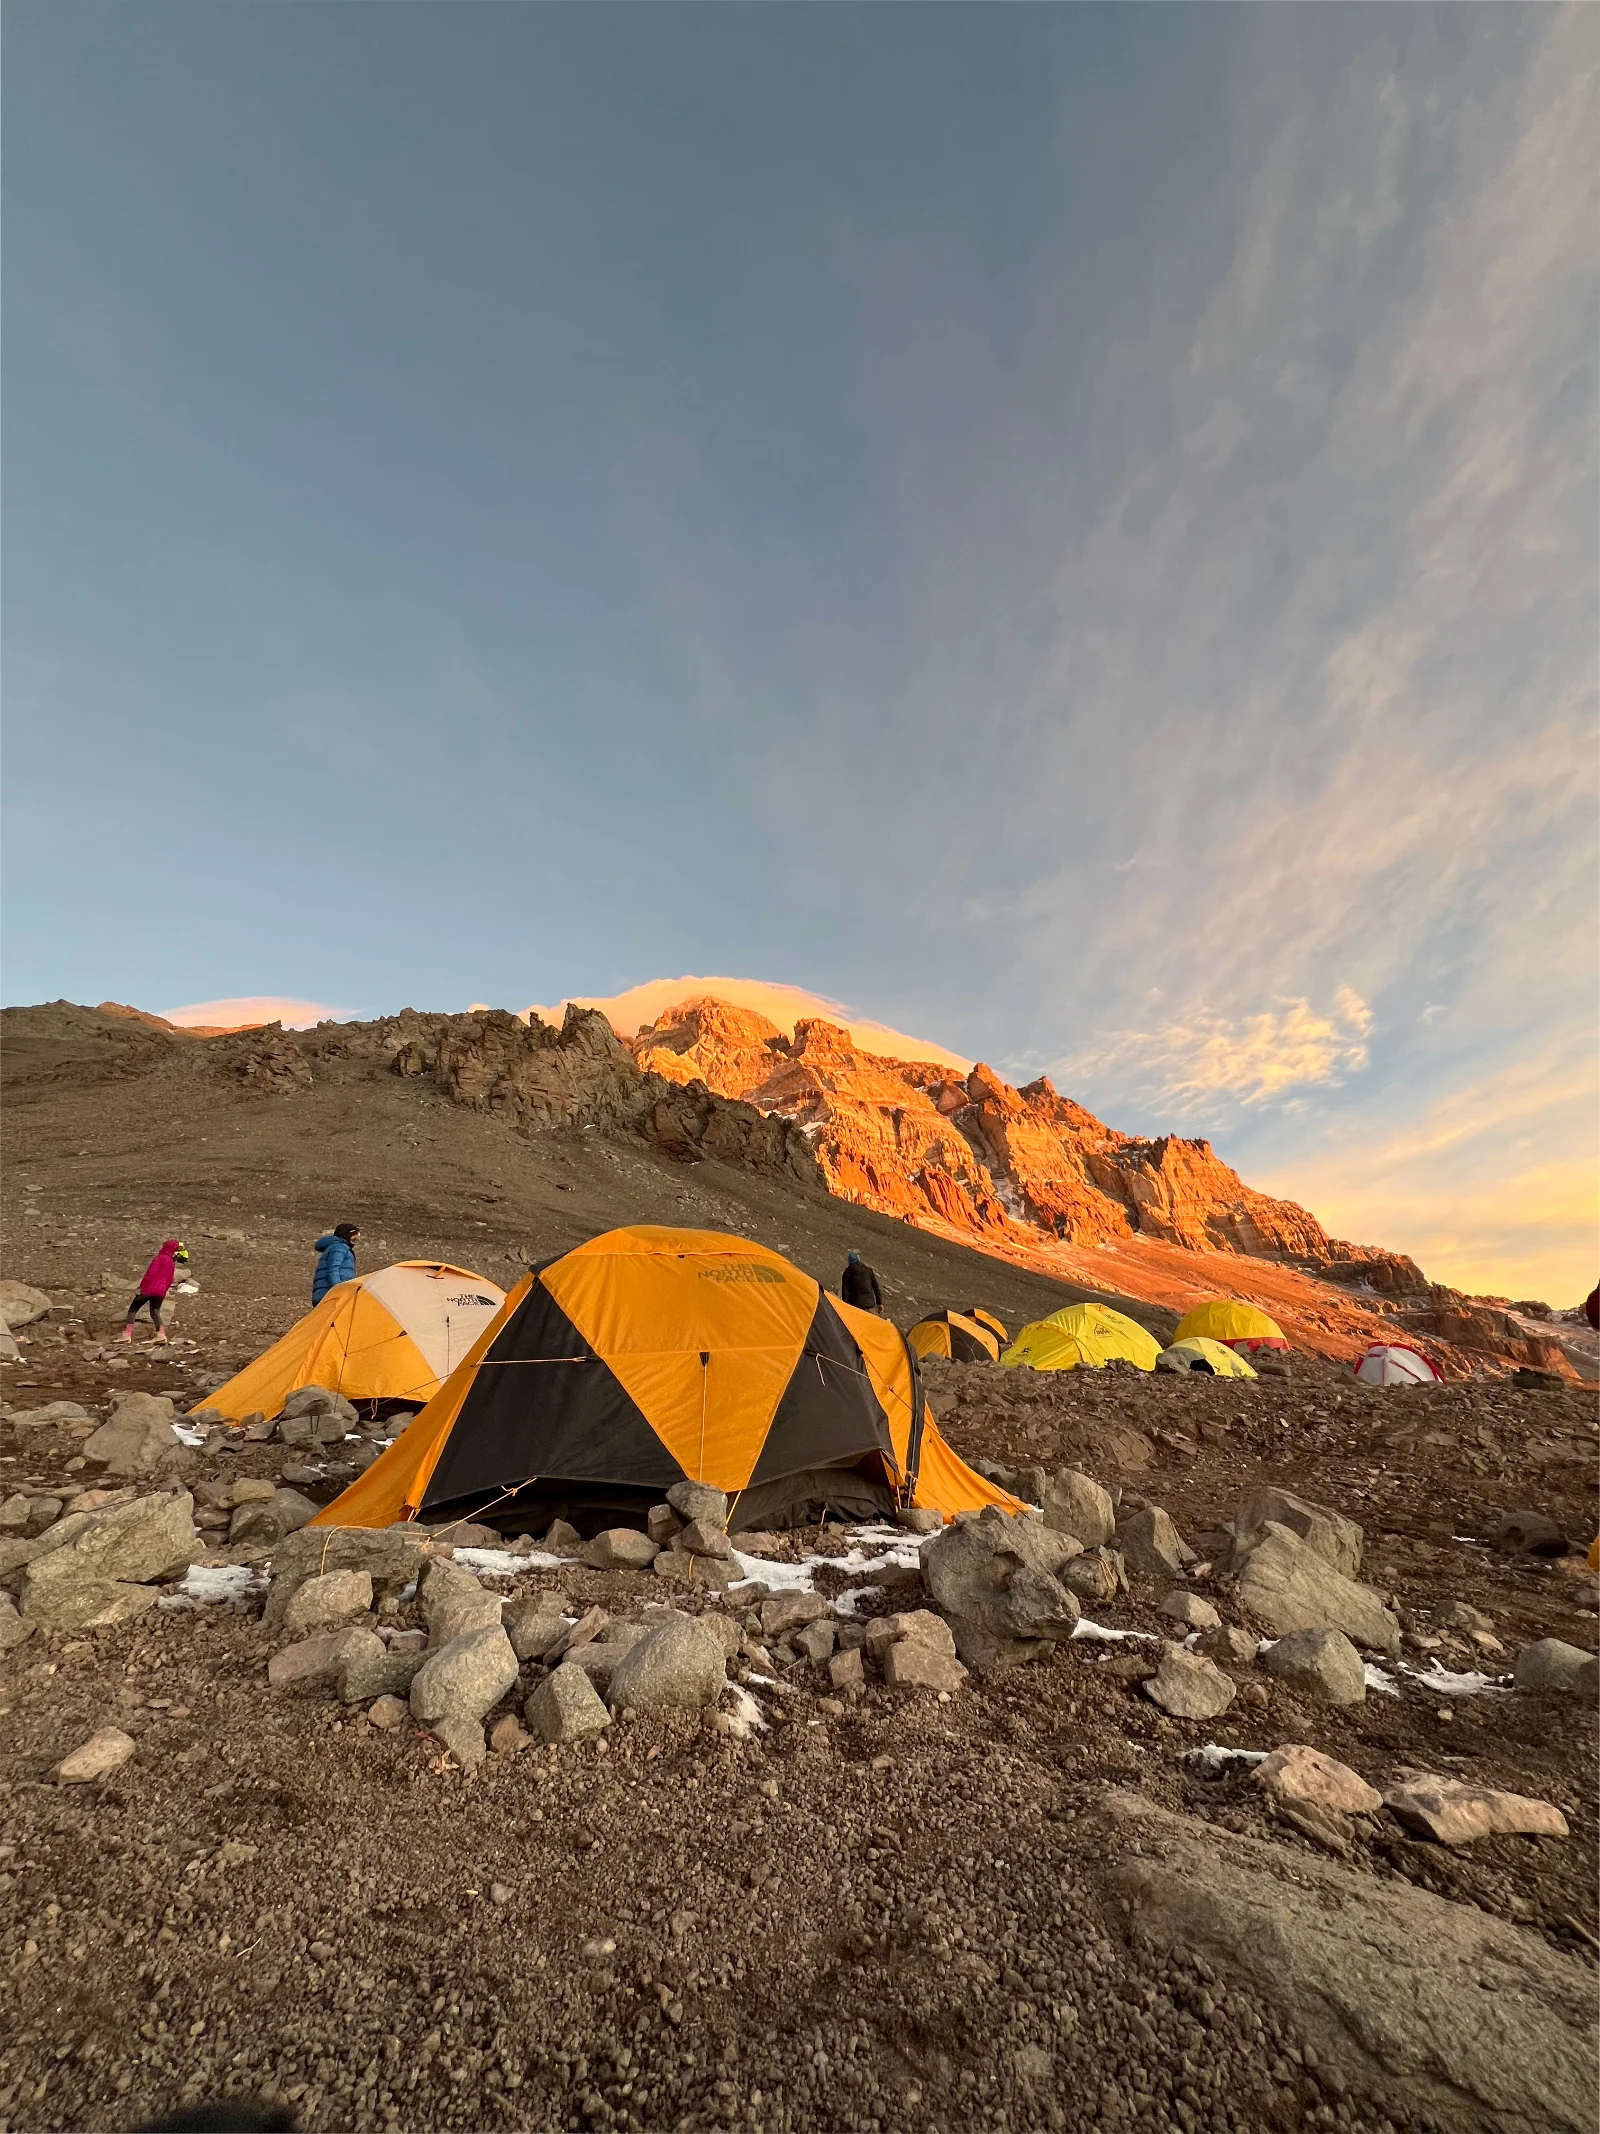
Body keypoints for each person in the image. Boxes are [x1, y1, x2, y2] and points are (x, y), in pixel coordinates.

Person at [120, 1239, 189, 1344]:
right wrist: (164, 1290)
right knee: (155, 1311)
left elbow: (151, 1274)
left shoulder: (160, 1258)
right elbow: (170, 1279)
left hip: (149, 1289)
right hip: (161, 1292)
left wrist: (141, 1287)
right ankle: (160, 1334)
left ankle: (127, 1334)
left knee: (133, 1309)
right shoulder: (171, 1262)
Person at [311, 1222, 360, 1304]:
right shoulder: (339, 1248)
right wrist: (337, 1290)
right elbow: (333, 1269)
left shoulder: (338, 1247)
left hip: (327, 1294)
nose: (357, 1239)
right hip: (330, 1296)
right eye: (354, 1236)